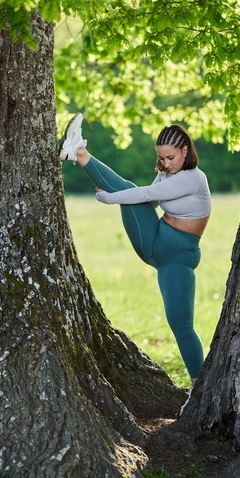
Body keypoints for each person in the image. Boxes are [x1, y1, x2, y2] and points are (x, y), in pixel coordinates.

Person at [59, 113, 211, 389]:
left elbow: (142, 196)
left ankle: (199, 387)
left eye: (171, 158)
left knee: (182, 324)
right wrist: (121, 199)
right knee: (128, 190)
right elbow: (148, 202)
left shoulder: (193, 179)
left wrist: (110, 198)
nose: (165, 164)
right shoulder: (167, 173)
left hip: (175, 258)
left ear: (185, 151)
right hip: (154, 238)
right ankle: (78, 152)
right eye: (161, 158)